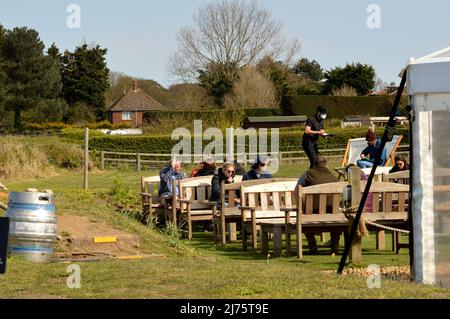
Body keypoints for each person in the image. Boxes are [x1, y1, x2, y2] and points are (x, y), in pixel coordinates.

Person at [297, 156, 341, 255]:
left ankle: (313, 247)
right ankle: (335, 248)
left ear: (314, 164)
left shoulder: (307, 174)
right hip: (332, 213)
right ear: (325, 164)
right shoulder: (333, 178)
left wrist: (301, 206)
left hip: (312, 213)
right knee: (336, 221)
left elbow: (297, 188)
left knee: (305, 214)